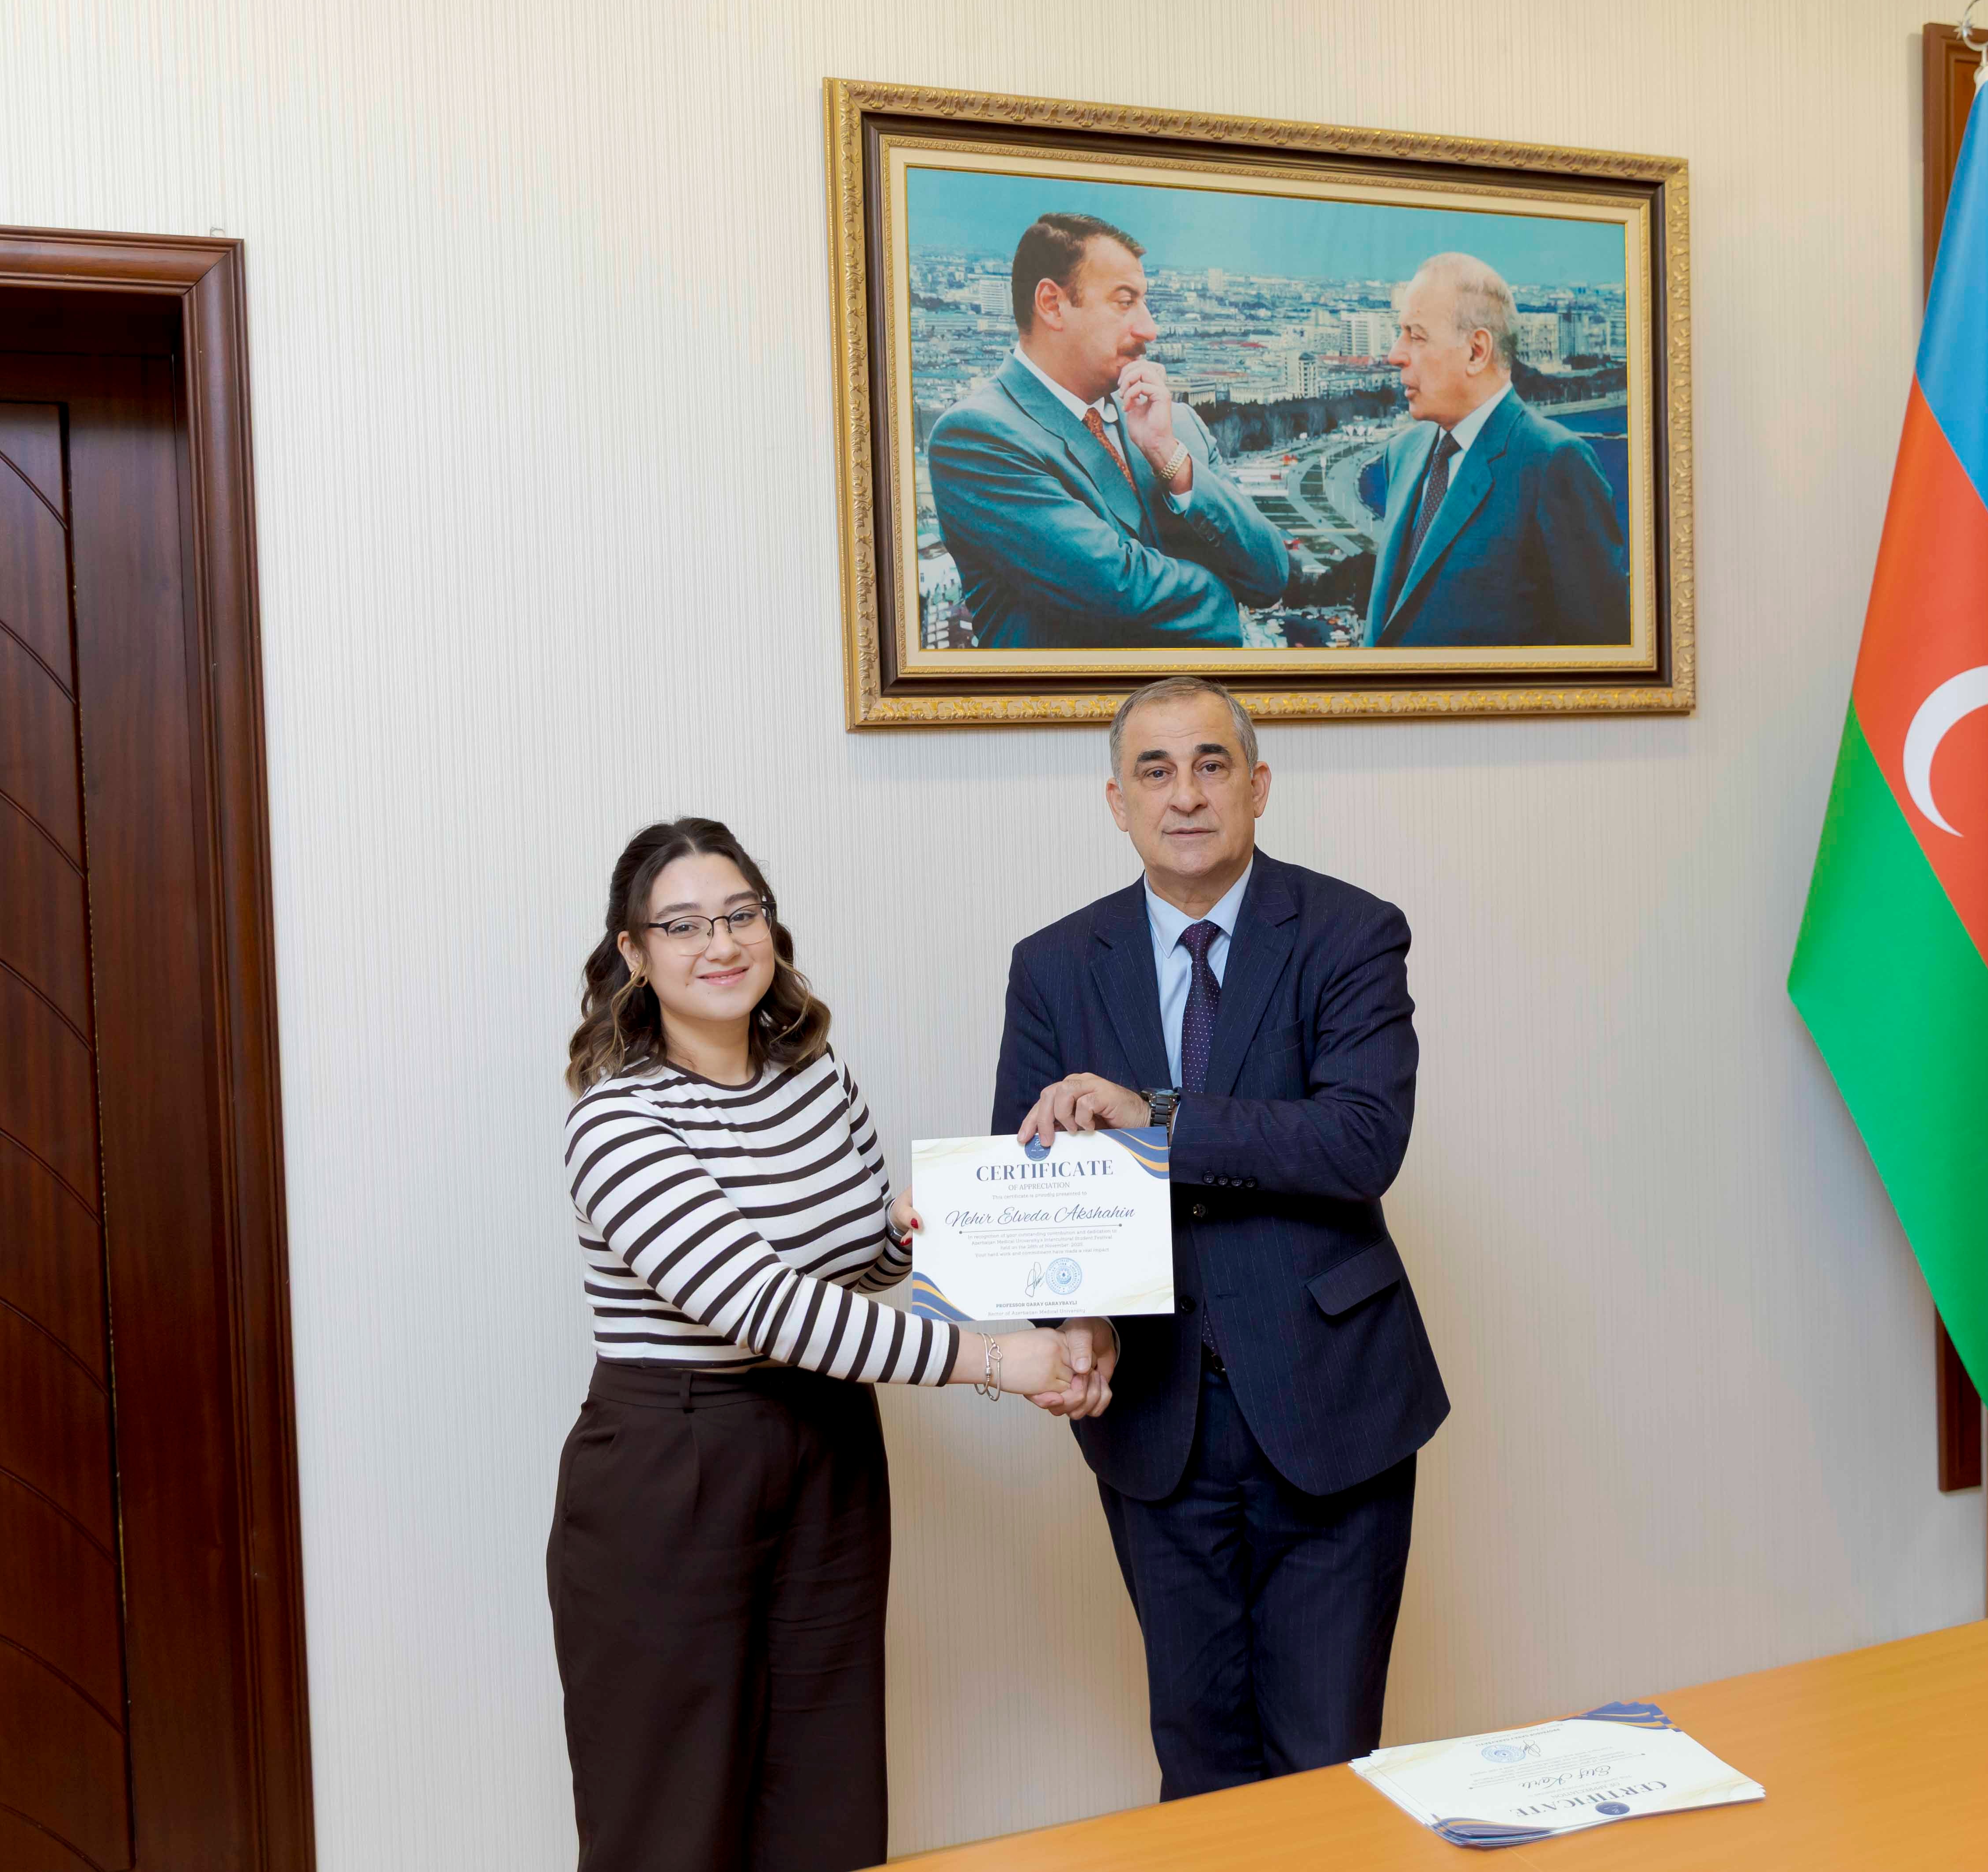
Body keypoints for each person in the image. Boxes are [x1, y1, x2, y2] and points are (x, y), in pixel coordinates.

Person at [551, 819, 1076, 1872]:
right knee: (668, 1810)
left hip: (827, 1441)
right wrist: (993, 1359)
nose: (721, 942)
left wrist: (914, 1229)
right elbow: (764, 1306)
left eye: (740, 913)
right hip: (674, 1459)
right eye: (683, 924)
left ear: (770, 924)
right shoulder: (615, 1120)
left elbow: (856, 1264)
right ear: (633, 953)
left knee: (824, 1786)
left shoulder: (814, 1075)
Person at [993, 677, 1449, 1799]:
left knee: (1325, 1762)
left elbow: (1361, 1140)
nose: (1185, 795)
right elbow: (1031, 1180)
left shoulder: (1348, 931)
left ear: (1257, 785)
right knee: (1197, 1764)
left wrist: (1156, 1114)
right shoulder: (1054, 962)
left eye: (1210, 765)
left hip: (1330, 1404)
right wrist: (1076, 1312)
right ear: (1117, 801)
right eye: (1154, 771)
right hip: (1155, 1417)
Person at [928, 212, 1291, 648]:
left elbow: (1270, 574)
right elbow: (1116, 589)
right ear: (1052, 304)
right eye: (1124, 302)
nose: (1150, 328)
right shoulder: (977, 437)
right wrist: (1228, 592)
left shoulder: (1176, 426)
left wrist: (1170, 458)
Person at [1364, 252, 1629, 647]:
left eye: (1416, 336)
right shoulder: (1402, 453)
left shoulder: (1554, 464)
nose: (1395, 355)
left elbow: (1601, 649)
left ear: (1476, 352)